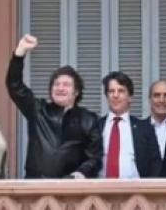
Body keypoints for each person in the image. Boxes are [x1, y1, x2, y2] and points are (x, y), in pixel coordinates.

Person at [6, 34, 102, 178]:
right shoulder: (38, 110)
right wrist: (20, 53)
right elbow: (14, 85)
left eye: (66, 85)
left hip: (71, 193)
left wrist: (81, 173)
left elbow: (94, 157)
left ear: (76, 92)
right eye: (56, 84)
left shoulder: (89, 119)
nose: (60, 88)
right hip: (35, 190)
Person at [99, 71, 161, 178]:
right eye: (111, 91)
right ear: (106, 96)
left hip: (136, 192)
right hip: (99, 191)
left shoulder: (145, 128)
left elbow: (155, 164)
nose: (116, 95)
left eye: (121, 91)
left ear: (130, 97)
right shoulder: (96, 126)